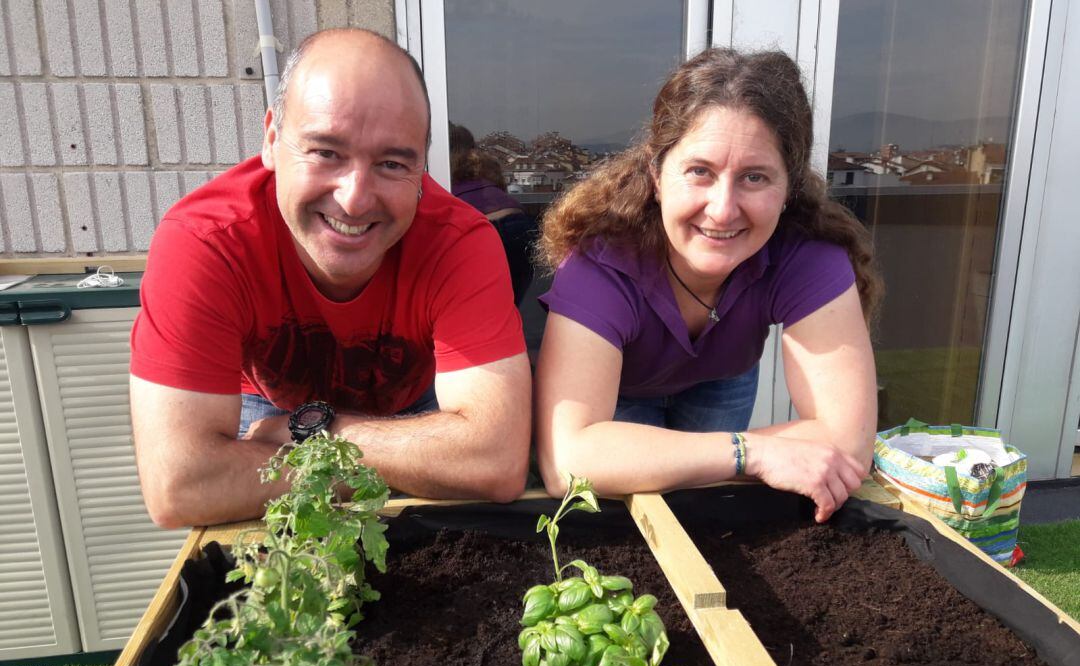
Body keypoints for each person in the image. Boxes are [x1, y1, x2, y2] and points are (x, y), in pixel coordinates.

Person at [130, 29, 531, 529]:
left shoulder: (460, 242)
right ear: (272, 139)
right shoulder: (207, 242)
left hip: (394, 408)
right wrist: (425, 460)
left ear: (422, 165)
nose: (355, 199)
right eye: (326, 152)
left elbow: (495, 463)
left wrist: (318, 436)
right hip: (270, 405)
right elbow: (182, 486)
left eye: (391, 163)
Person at [534, 48, 883, 523]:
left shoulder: (807, 254)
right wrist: (751, 453)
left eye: (754, 177)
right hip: (622, 391)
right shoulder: (602, 260)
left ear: (788, 189)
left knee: (701, 508)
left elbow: (848, 443)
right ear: (657, 176)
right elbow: (568, 463)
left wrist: (721, 457)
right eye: (700, 171)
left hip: (720, 377)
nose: (722, 209)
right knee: (622, 518)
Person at [449, 123, 537, 306]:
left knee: (478, 311)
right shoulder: (485, 165)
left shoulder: (443, 171)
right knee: (508, 308)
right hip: (518, 225)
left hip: (478, 231)